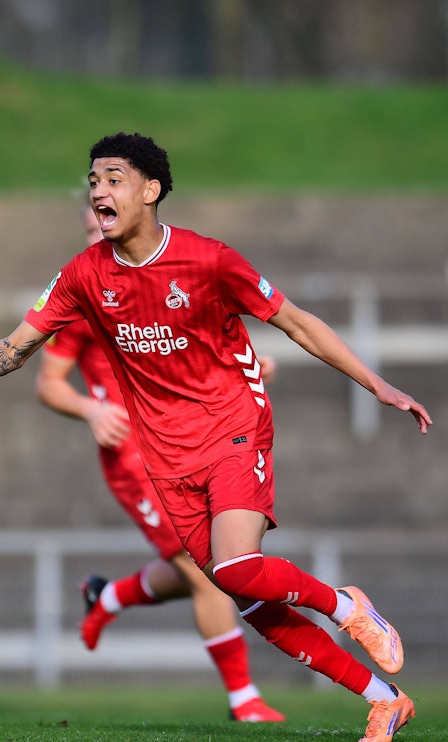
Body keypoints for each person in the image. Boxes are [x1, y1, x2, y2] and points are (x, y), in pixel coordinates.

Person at [0, 133, 431, 740]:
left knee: (236, 567)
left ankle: (346, 606)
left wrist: (376, 384)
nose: (99, 189)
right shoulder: (83, 275)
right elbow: (16, 349)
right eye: (93, 180)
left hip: (233, 426)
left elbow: (297, 322)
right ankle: (383, 699)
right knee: (245, 594)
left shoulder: (210, 260)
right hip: (164, 455)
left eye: (113, 178)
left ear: (150, 191)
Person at [35, 207, 284, 723]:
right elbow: (48, 382)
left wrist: (244, 374)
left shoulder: (159, 283)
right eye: (88, 227)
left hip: (190, 442)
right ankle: (245, 701)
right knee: (206, 572)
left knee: (213, 563)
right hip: (133, 455)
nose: (96, 233)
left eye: (102, 222)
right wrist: (90, 408)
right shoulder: (82, 296)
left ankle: (110, 596)